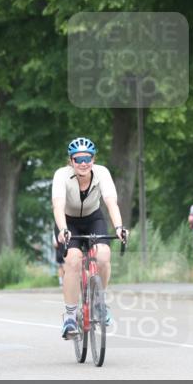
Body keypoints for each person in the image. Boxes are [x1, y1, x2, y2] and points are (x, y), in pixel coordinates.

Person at [53, 137, 127, 339]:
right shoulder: (61, 175)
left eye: (88, 158)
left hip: (93, 218)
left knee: (103, 255)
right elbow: (58, 206)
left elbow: (111, 203)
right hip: (69, 222)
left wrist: (119, 227)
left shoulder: (102, 173)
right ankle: (69, 316)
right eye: (78, 159)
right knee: (73, 260)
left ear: (94, 159)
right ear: (71, 161)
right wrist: (62, 229)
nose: (83, 163)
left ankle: (99, 302)